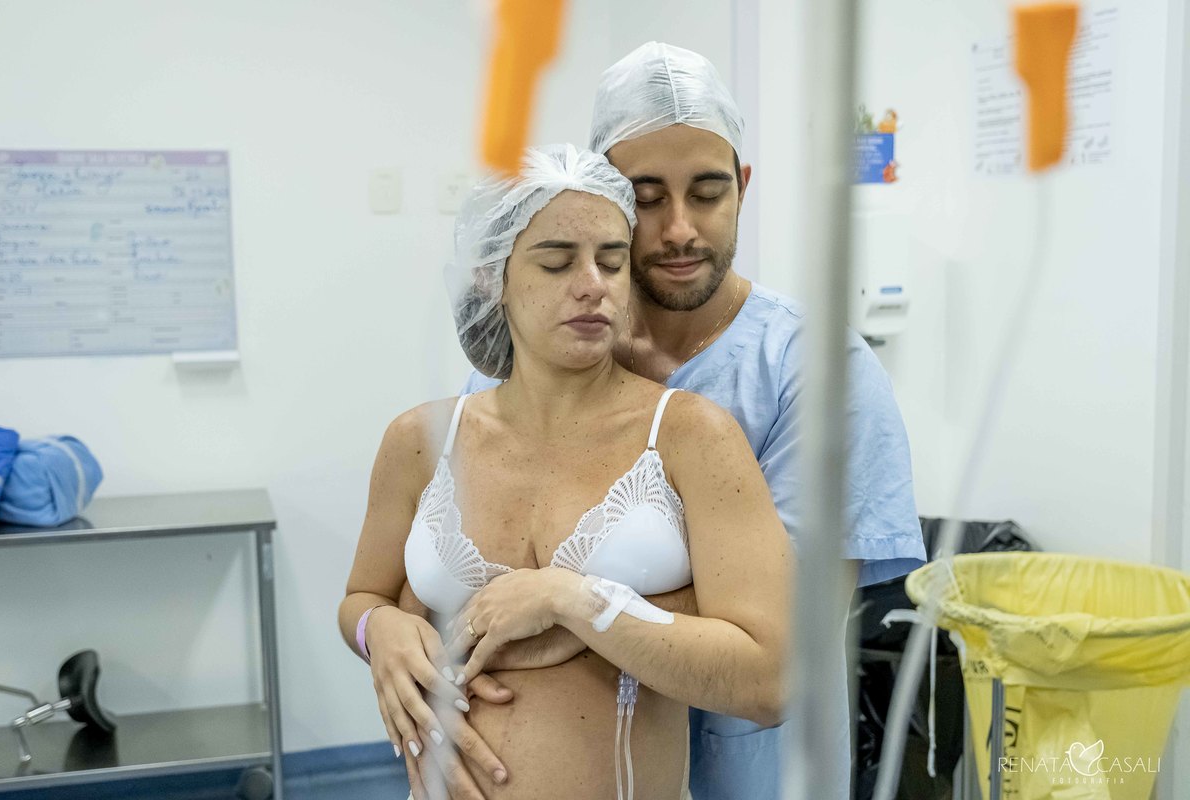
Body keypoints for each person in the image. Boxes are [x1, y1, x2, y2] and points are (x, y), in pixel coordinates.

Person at [457, 43, 928, 799]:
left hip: (757, 772)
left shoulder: (815, 373)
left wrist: (569, 607)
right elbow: (467, 576)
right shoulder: (534, 355)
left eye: (707, 193)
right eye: (646, 198)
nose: (680, 228)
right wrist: (386, 632)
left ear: (743, 187)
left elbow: (788, 631)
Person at [340, 143, 794, 799]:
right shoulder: (420, 442)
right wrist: (375, 630)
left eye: (612, 261)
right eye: (556, 262)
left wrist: (574, 602)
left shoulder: (691, 438)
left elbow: (770, 682)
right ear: (489, 278)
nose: (592, 285)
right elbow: (363, 597)